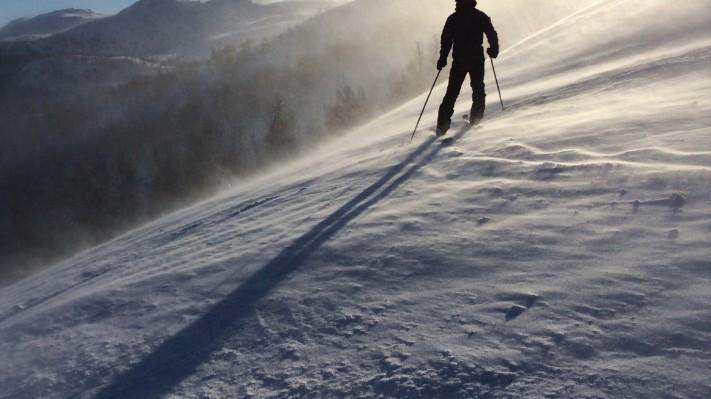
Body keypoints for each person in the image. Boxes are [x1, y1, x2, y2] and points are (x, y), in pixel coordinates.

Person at [436, 0, 499, 135]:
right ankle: (476, 119)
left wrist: (443, 58)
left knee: (452, 92)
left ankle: (442, 126)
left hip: (459, 59)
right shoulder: (480, 16)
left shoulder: (453, 18)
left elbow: (446, 40)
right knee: (478, 88)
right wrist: (493, 50)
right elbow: (491, 33)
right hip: (476, 58)